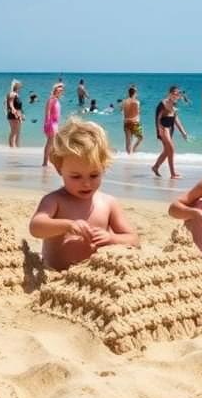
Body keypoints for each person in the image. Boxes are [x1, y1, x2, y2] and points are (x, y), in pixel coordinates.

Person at [29, 118, 139, 270]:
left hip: (92, 279)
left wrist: (111, 238)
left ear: (103, 168)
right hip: (56, 275)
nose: (86, 183)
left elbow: (133, 239)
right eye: (76, 177)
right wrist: (67, 225)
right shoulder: (55, 200)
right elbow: (36, 227)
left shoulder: (109, 203)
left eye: (94, 175)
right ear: (59, 169)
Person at [152, 85, 187, 178]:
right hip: (163, 127)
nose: (176, 96)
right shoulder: (163, 103)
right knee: (171, 149)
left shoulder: (174, 105)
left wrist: (183, 132)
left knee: (167, 151)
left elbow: (176, 119)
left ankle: (155, 167)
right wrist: (159, 130)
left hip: (170, 128)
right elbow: (158, 117)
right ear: (169, 94)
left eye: (177, 94)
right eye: (174, 94)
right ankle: (173, 174)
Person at [42, 83, 64, 167]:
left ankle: (48, 161)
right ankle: (45, 162)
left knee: (52, 143)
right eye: (59, 91)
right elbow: (47, 111)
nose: (61, 92)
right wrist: (47, 122)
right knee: (50, 142)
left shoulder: (56, 99)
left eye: (61, 91)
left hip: (55, 123)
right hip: (51, 123)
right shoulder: (52, 99)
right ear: (55, 91)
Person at [122, 85, 144, 155]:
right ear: (135, 93)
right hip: (135, 122)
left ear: (129, 93)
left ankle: (129, 155)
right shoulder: (137, 102)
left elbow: (122, 111)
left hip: (126, 122)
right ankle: (134, 149)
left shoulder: (124, 101)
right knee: (140, 138)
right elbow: (137, 112)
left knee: (128, 140)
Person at [6, 80, 24, 147]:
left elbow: (19, 106)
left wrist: (22, 114)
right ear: (15, 86)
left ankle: (17, 147)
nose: (20, 87)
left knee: (18, 132)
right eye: (19, 86)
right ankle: (11, 147)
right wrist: (16, 113)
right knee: (13, 131)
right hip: (13, 115)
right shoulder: (12, 94)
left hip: (18, 114)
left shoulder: (17, 94)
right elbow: (11, 105)